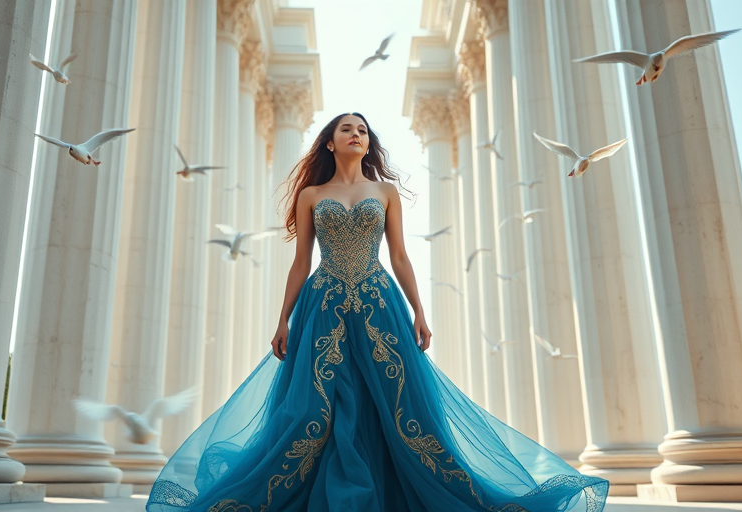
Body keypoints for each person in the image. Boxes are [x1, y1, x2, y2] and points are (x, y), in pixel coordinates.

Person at [147, 113, 608, 511]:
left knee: (399, 403)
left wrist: (420, 311)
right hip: (323, 304)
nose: (356, 135)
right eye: (347, 129)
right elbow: (301, 262)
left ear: (368, 143)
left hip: (378, 302)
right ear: (330, 141)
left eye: (363, 131)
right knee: (313, 408)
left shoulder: (385, 191)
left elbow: (401, 256)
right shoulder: (311, 195)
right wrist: (283, 318)